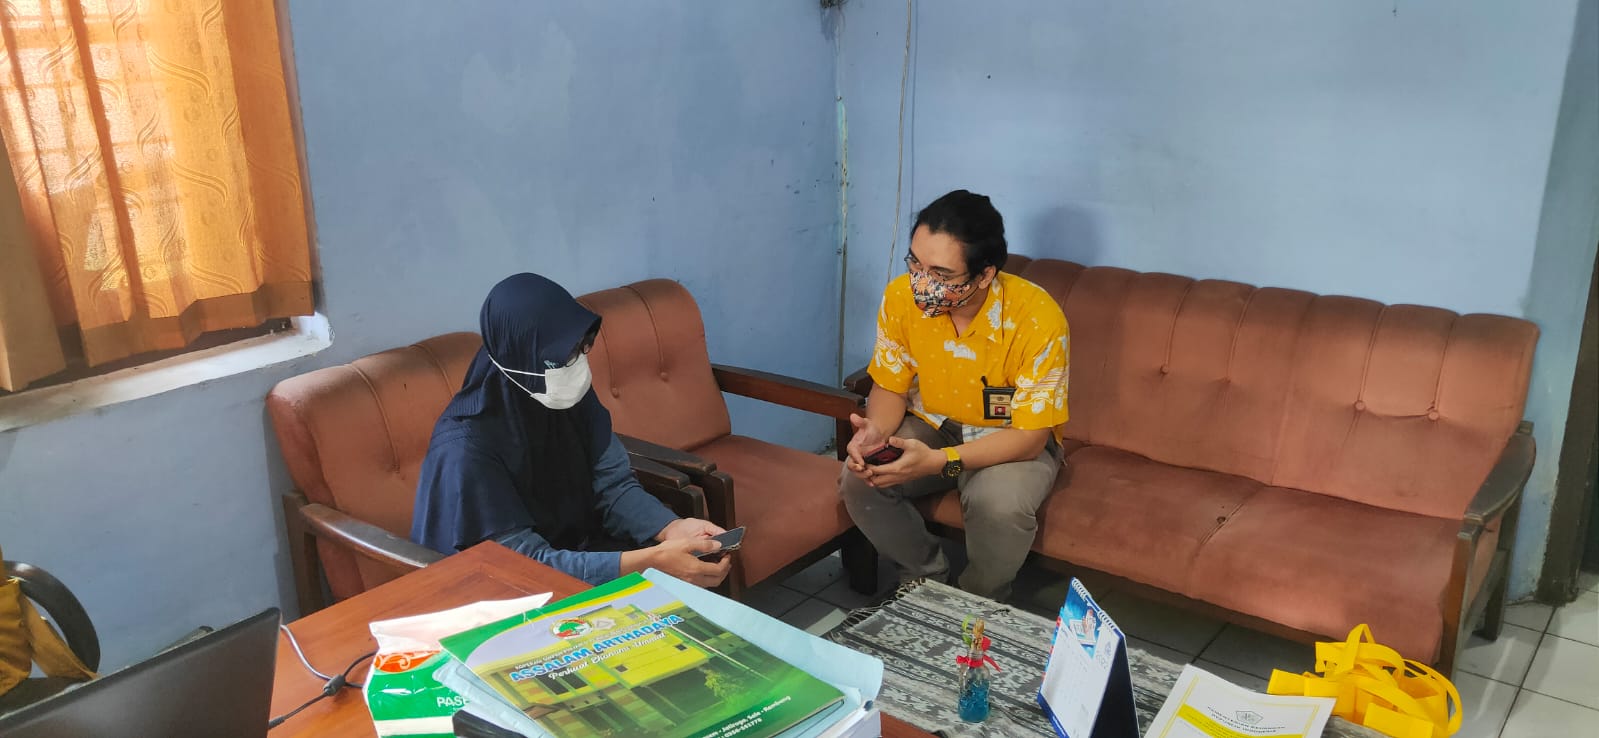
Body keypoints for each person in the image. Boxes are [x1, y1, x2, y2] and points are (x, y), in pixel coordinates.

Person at [411, 273, 732, 588]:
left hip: (577, 553)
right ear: (520, 358)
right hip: (500, 587)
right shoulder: (465, 450)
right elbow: (523, 566)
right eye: (560, 358)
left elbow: (613, 487)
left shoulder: (561, 391)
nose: (576, 364)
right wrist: (648, 562)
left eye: (581, 347)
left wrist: (671, 528)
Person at [840, 190, 1069, 601]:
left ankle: (977, 600)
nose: (921, 283)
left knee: (998, 505)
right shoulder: (900, 298)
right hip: (932, 423)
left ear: (984, 274)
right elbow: (890, 385)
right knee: (860, 479)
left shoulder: (1037, 318)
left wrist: (939, 461)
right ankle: (925, 579)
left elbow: (1031, 437)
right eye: (915, 263)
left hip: (1008, 438)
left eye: (942, 275)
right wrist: (875, 432)